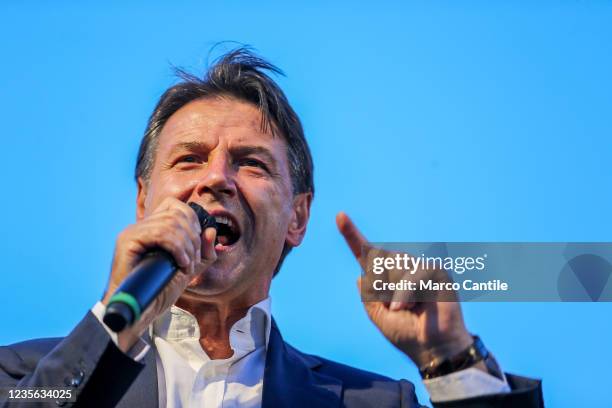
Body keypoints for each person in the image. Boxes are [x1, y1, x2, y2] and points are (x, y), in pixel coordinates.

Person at [0, 48, 543, 407]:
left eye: (251, 164)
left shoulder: (372, 401)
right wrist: (113, 331)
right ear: (144, 202)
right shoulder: (23, 376)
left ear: (298, 218)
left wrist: (449, 358)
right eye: (188, 159)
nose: (216, 178)